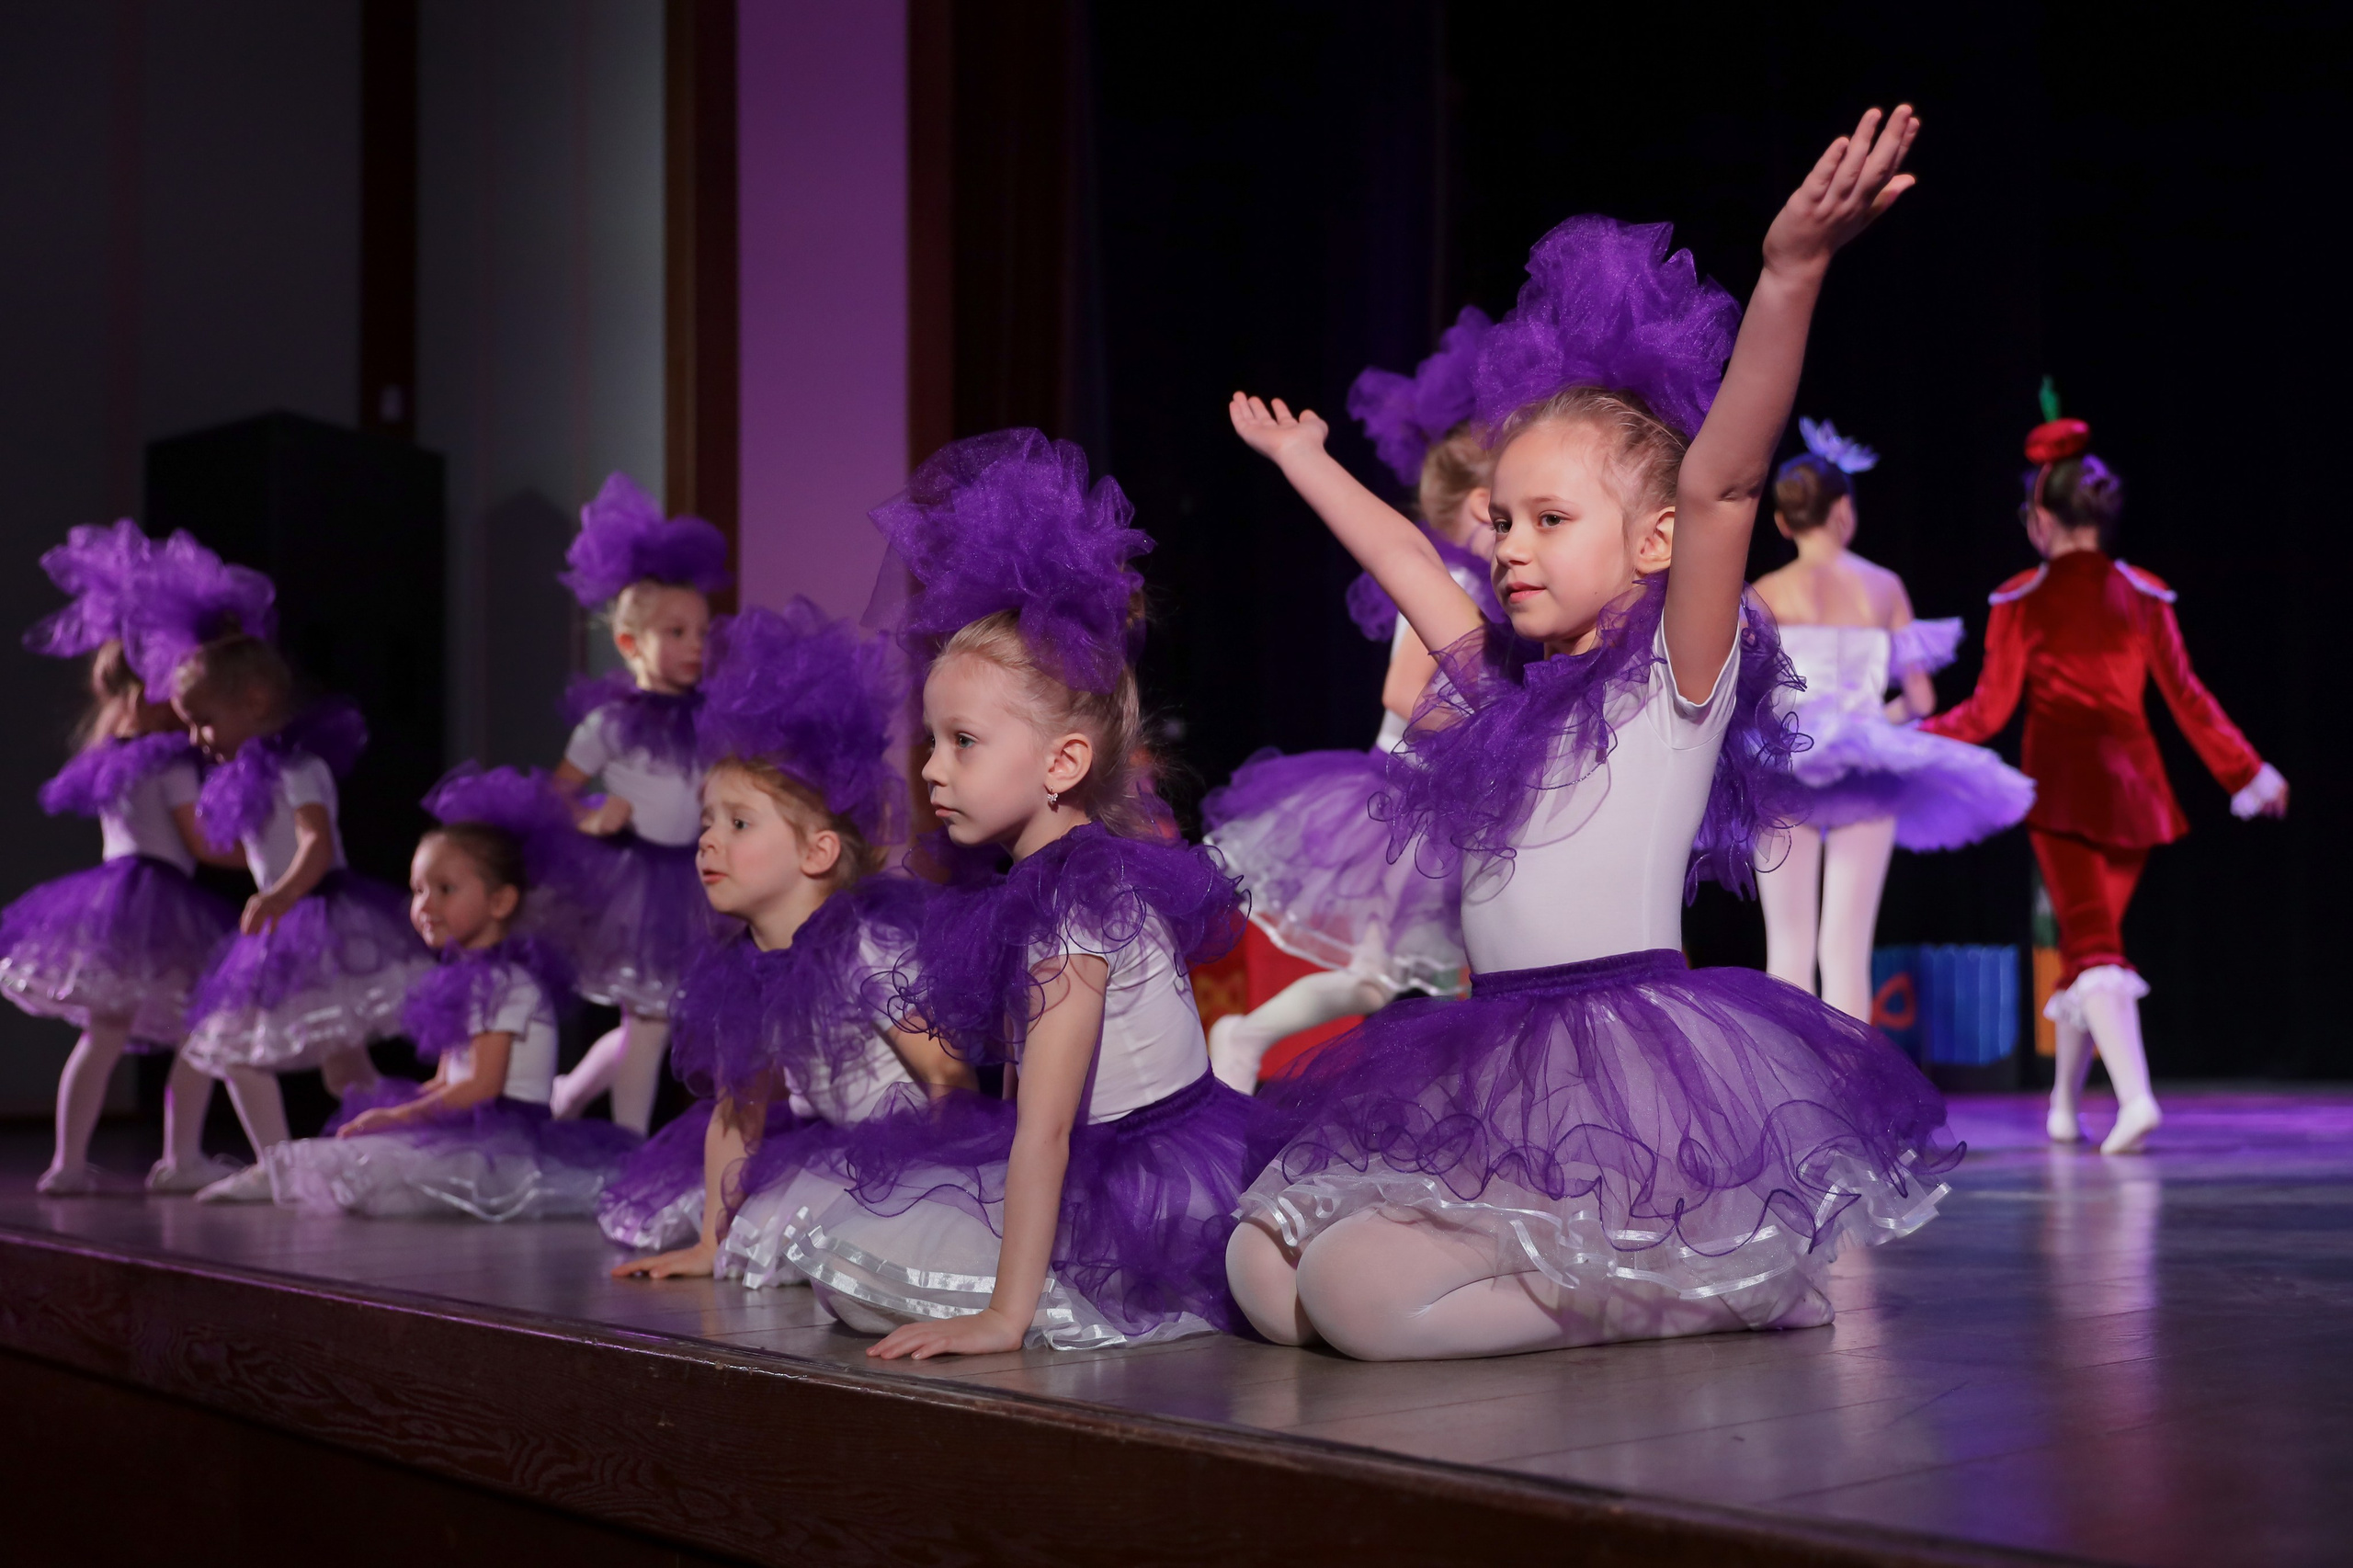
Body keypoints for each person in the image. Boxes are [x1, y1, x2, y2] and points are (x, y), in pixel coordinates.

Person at [1223, 107, 1957, 1360]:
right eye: (1503, 520)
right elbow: (1412, 560)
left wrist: (1789, 274)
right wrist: (1306, 461)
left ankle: (1706, 1287)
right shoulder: (1498, 688)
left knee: (1353, 1298)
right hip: (1489, 1051)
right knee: (1259, 1264)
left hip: (1615, 1065)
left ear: (1656, 540)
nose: (1510, 546)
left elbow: (1725, 479)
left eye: (1549, 519)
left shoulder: (1674, 678)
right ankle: (1622, 1272)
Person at [767, 430, 1259, 1357]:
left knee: (854, 1267)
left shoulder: (1077, 899)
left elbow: (1046, 1129)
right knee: (846, 1255)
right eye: (931, 740)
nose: (931, 768)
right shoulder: (1046, 882)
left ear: (1062, 762)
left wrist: (1003, 1315)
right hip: (1104, 1158)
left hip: (1149, 1183)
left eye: (963, 742)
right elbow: (1030, 1102)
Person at [1922, 397, 2286, 1153]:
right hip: (2136, 793)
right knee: (2092, 942)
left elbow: (1988, 712)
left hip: (2062, 790)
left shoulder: (2022, 600)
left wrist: (1909, 738)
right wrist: (2248, 771)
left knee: (2093, 947)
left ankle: (2136, 1099)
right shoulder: (2143, 593)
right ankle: (2063, 1106)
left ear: (2041, 519)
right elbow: (2188, 698)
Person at [601, 600, 971, 1272]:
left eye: (738, 824)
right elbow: (736, 1115)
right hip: (832, 1151)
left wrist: (947, 1192)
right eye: (706, 822)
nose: (708, 840)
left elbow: (946, 1073)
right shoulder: (745, 971)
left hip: (912, 1159)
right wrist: (711, 1243)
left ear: (818, 851)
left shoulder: (862, 948)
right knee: (762, 1232)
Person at [1200, 309, 1499, 1089]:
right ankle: (1245, 1035)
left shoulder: (1481, 589)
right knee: (1401, 975)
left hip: (1448, 803)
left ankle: (1259, 1040)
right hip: (1407, 796)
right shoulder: (1451, 583)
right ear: (1478, 507)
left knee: (1402, 978)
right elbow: (1404, 690)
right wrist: (1492, 717)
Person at [1749, 419, 2034, 1019]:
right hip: (1865, 766)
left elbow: (1751, 693)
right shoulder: (1882, 586)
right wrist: (1873, 719)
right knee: (1847, 949)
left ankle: (1788, 1073)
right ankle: (1851, 1075)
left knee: (1788, 946)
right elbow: (1922, 700)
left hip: (1782, 763)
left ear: (1782, 521)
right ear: (1843, 512)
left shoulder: (1765, 591)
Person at [265, 766, 638, 1218]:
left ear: (500, 901)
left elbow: (482, 1087)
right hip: (469, 1125)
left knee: (373, 1176)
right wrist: (404, 1111)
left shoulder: (506, 982)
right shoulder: (464, 978)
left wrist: (400, 1118)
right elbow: (448, 1081)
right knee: (356, 1156)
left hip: (503, 1139)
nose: (425, 905)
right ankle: (262, 1178)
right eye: (418, 890)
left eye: (445, 889)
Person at [0, 521, 239, 1193]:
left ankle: (67, 1164)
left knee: (102, 1034)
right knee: (199, 1029)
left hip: (110, 897)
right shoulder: (171, 762)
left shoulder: (112, 758)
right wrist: (258, 860)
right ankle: (181, 1157)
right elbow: (199, 844)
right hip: (161, 899)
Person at [545, 472, 731, 1134]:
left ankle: (569, 1095)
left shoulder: (713, 718)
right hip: (633, 887)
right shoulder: (610, 724)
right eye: (676, 631)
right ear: (631, 644)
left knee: (655, 1024)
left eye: (702, 632)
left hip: (696, 882)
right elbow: (555, 796)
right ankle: (628, 1147)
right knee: (648, 1024)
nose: (695, 645)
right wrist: (591, 816)